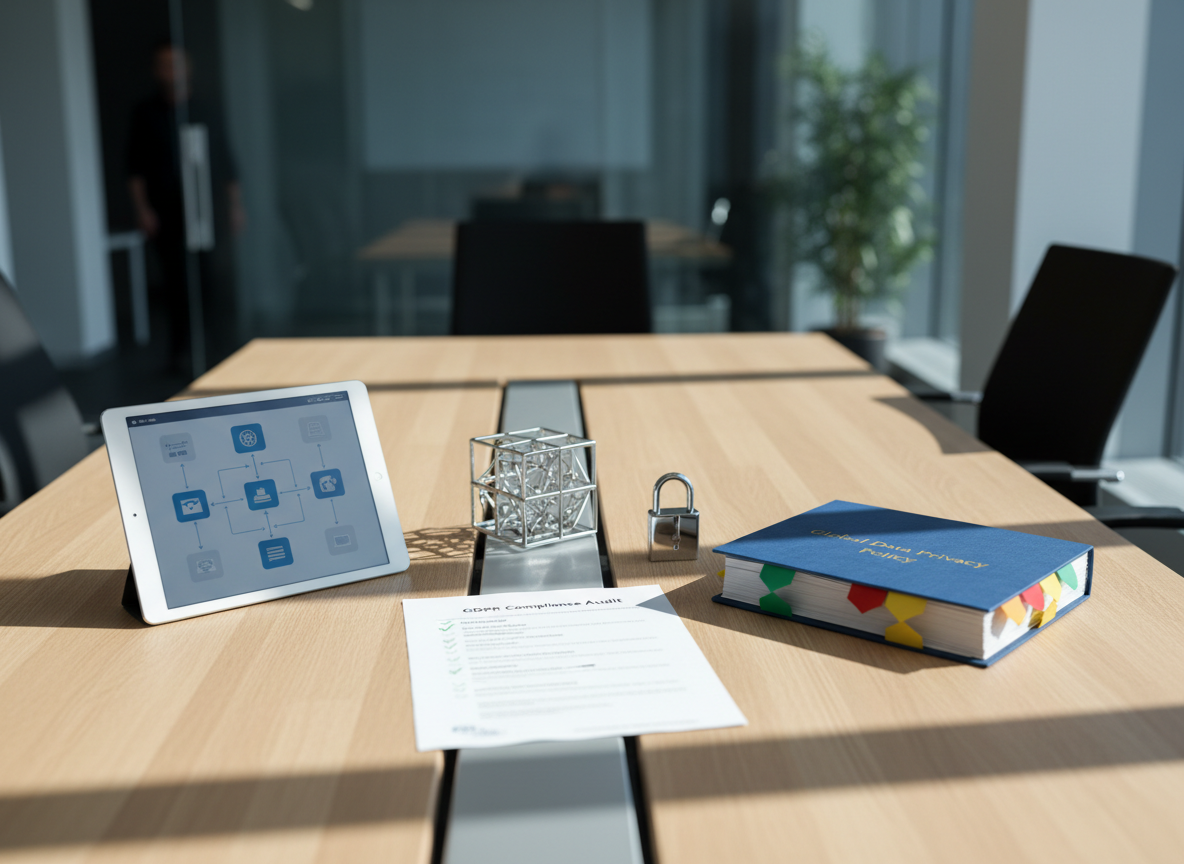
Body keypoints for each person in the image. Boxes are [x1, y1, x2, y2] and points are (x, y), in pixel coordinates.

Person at [126, 41, 244, 374]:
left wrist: (235, 206)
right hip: (168, 213)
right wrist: (143, 209)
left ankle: (222, 351)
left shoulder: (206, 109)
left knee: (215, 280)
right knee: (177, 284)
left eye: (176, 63)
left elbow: (226, 160)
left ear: (188, 67)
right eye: (164, 64)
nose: (171, 70)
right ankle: (180, 353)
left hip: (210, 210)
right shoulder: (146, 113)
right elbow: (134, 168)